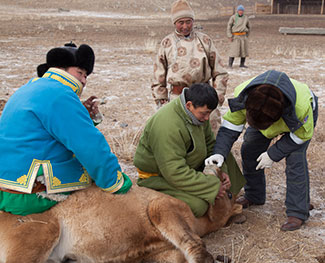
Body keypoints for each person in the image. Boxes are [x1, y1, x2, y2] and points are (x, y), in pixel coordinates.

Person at [0, 42, 132, 216]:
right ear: (61, 68)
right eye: (80, 72)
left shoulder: (31, 87)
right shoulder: (60, 94)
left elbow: (43, 134)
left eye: (86, 76)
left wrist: (85, 117)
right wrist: (115, 181)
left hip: (7, 186)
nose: (84, 81)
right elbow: (89, 146)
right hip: (29, 194)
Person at [205, 70, 318, 231]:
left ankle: (298, 212)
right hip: (262, 115)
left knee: (295, 161)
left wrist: (273, 154)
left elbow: (301, 136)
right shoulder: (244, 96)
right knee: (250, 149)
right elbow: (230, 127)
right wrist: (219, 152)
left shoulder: (301, 108)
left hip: (297, 125)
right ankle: (254, 195)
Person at [134, 83, 245, 218]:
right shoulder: (167, 126)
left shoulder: (195, 115)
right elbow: (173, 171)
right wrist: (213, 186)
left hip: (188, 164)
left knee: (225, 157)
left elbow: (210, 144)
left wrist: (222, 172)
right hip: (159, 175)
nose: (206, 118)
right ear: (189, 105)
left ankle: (227, 202)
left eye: (209, 113)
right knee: (198, 205)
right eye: (204, 113)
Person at [151, 0, 228, 129]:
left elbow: (220, 72)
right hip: (178, 97)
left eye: (188, 21)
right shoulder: (167, 43)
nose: (185, 26)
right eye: (181, 22)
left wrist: (217, 96)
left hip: (205, 97)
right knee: (177, 132)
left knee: (209, 133)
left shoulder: (205, 40)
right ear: (174, 23)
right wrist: (161, 96)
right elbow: (158, 72)